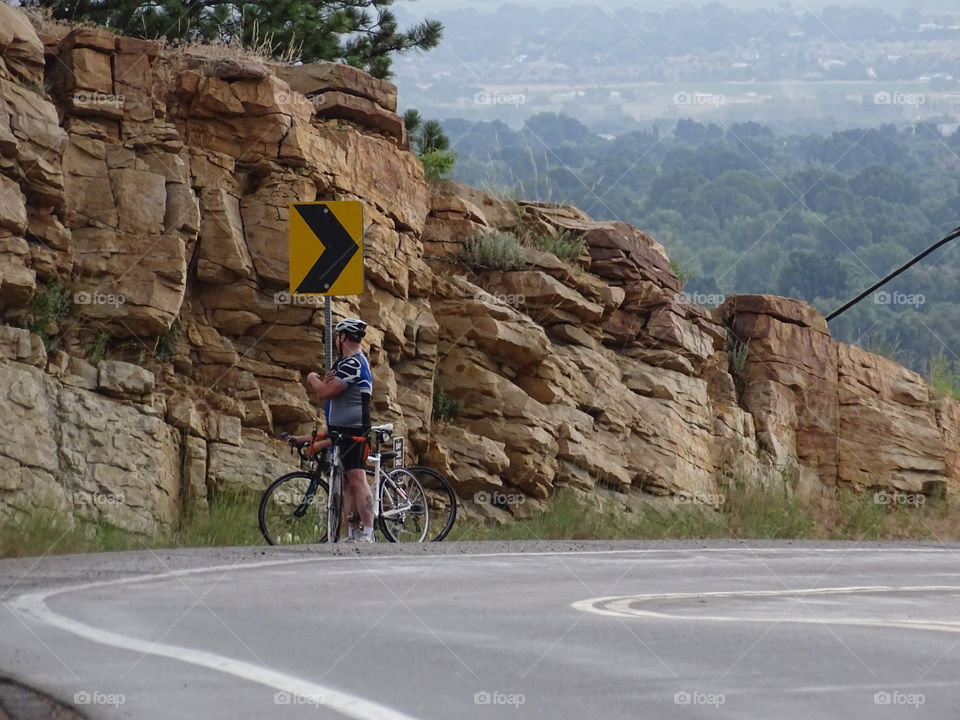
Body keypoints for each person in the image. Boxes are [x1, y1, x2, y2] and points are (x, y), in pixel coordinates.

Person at [304, 318, 375, 543]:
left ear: (342, 337)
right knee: (345, 482)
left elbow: (327, 392)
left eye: (337, 336)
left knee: (357, 478)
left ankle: (369, 532)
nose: (335, 340)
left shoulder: (353, 362)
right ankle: (353, 531)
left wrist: (312, 378)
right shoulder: (345, 363)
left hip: (354, 429)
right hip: (341, 429)